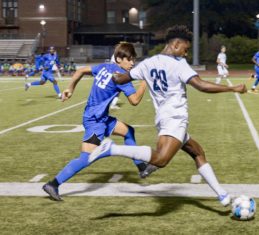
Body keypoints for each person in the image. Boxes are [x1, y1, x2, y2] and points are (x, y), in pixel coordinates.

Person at [63, 25, 246, 207]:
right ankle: (112, 149)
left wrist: (107, 74)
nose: (186, 54)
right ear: (175, 44)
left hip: (163, 118)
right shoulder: (178, 64)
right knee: (161, 160)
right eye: (185, 49)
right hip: (175, 118)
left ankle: (222, 195)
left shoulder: (148, 63)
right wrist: (232, 88)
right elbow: (201, 85)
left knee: (198, 152)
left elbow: (120, 79)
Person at [42, 42, 153, 201]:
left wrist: (70, 88)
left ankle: (141, 166)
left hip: (99, 117)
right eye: (129, 59)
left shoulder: (104, 66)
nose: (132, 63)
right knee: (86, 157)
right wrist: (144, 83)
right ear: (120, 59)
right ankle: (53, 184)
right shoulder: (121, 76)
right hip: (96, 121)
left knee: (128, 131)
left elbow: (80, 70)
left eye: (133, 60)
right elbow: (134, 101)